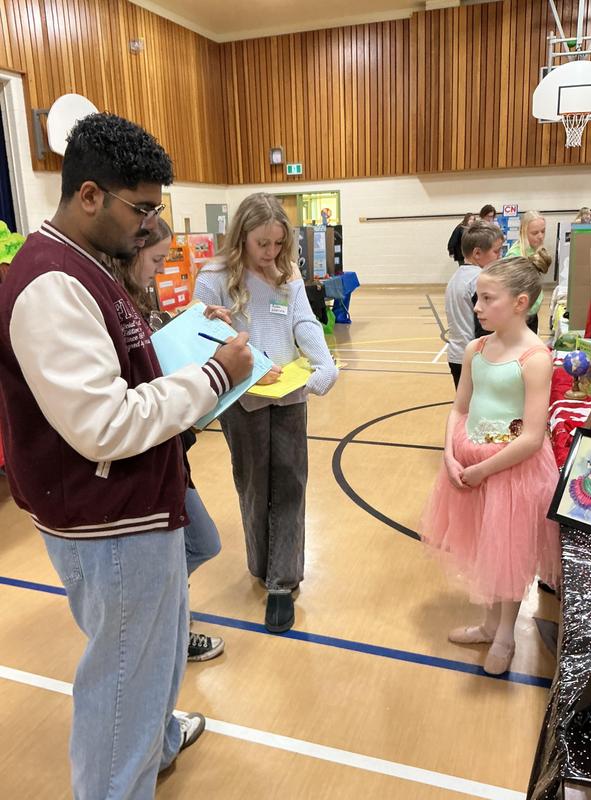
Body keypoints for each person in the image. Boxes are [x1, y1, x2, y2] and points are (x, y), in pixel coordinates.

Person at [0, 112, 253, 798]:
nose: (149, 225)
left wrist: (197, 341)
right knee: (121, 682)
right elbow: (103, 424)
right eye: (140, 208)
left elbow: (128, 368)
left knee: (153, 659)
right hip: (105, 516)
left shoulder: (85, 266)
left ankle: (157, 742)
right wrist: (215, 375)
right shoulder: (50, 281)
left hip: (135, 502)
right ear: (88, 196)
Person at [194, 192, 338, 634]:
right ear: (241, 237)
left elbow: (302, 321)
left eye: (278, 243)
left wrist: (323, 360)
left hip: (290, 398)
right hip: (243, 400)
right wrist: (252, 367)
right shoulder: (213, 277)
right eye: (262, 244)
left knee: (291, 484)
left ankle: (282, 580)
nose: (271, 252)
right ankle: (261, 565)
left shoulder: (287, 272)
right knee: (254, 485)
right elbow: (200, 335)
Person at [422, 255, 561, 676]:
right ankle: (488, 623)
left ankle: (505, 634)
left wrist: (484, 470)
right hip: (471, 463)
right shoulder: (475, 349)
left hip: (512, 471)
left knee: (509, 551)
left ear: (520, 303)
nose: (476, 307)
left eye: (487, 298)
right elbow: (459, 407)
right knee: (486, 547)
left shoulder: (535, 357)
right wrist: (449, 452)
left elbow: (533, 436)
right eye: (476, 298)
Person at [112, 218, 225, 662]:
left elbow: (163, 339)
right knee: (196, 544)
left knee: (200, 544)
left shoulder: (138, 300)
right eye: (157, 259)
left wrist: (198, 320)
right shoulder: (109, 303)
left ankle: (171, 622)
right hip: (149, 456)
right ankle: (167, 627)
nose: (161, 270)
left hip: (171, 451)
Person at [445, 221, 504, 388]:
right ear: (477, 253)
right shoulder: (479, 279)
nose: (499, 256)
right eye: (496, 251)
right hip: (475, 358)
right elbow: (483, 326)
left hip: (456, 356)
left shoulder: (455, 278)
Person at [505, 211, 550, 334]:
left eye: (543, 231)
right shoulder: (515, 256)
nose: (540, 236)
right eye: (535, 233)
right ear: (523, 233)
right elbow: (508, 291)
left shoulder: (534, 250)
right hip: (520, 318)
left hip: (531, 315)